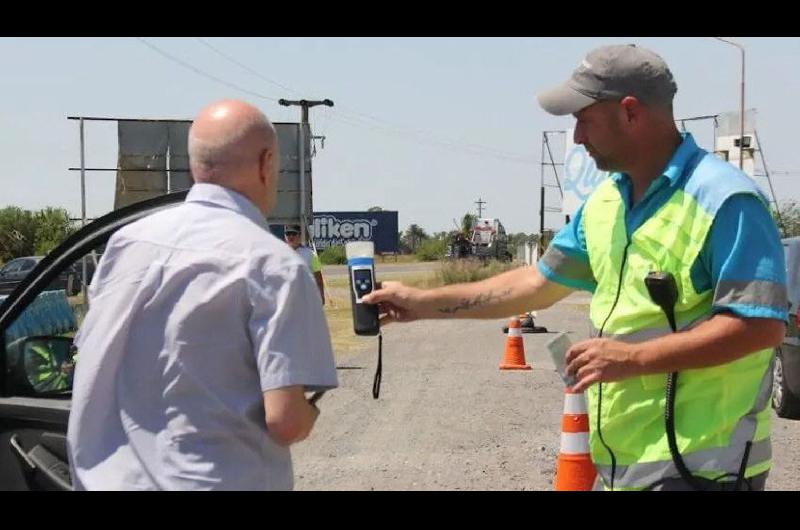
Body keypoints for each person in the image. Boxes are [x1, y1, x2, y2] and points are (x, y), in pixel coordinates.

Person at [363, 44, 787, 491]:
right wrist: (421, 303)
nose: (579, 137)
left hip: (702, 470)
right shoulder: (607, 203)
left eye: (584, 118)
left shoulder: (726, 201)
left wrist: (633, 357)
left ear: (630, 112)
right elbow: (535, 284)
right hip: (625, 467)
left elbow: (759, 327)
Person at [66, 99, 337, 490]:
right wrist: (311, 413)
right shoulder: (273, 264)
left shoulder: (125, 243)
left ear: (196, 165)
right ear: (266, 163)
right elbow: (286, 420)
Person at [284, 224, 325, 304]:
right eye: (288, 234)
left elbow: (318, 276)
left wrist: (321, 294)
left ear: (299, 236)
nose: (291, 236)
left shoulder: (311, 254)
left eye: (294, 234)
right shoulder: (279, 253)